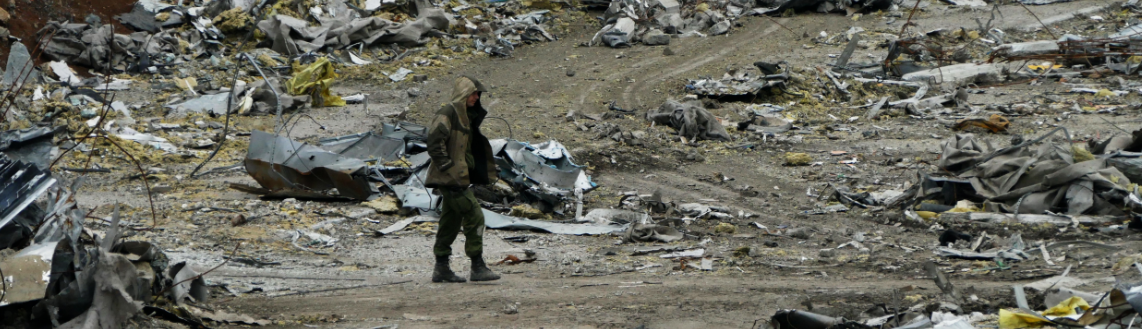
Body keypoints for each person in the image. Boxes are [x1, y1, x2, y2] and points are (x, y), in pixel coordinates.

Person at [424, 75, 500, 283]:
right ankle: (477, 266)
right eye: (474, 93)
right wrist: (448, 167)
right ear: (464, 93)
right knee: (475, 216)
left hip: (457, 178)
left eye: (478, 94)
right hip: (451, 179)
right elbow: (434, 141)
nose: (477, 97)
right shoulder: (448, 113)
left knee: (450, 221)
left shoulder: (465, 116)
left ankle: (441, 268)